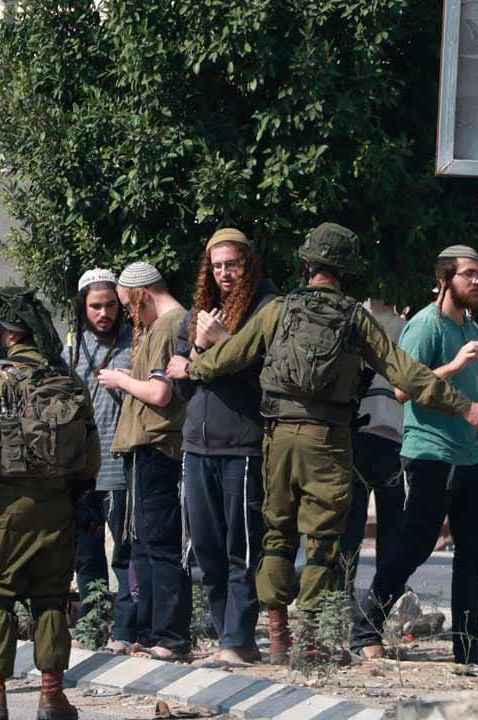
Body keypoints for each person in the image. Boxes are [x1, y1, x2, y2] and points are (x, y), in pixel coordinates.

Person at [166, 224, 478, 663]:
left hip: (278, 439)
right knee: (322, 541)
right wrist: (464, 407)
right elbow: (406, 374)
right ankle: (311, 641)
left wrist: (193, 366)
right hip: (329, 441)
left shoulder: (278, 309)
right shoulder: (356, 319)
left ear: (307, 264)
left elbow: (231, 355)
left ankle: (277, 635)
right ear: (347, 271)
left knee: (277, 534)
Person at [0, 287, 99, 720]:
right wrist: (80, 497)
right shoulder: (69, 380)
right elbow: (90, 453)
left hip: (7, 509)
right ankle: (52, 695)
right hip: (59, 509)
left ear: (11, 333)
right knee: (52, 599)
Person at [350, 245, 478, 664]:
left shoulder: (471, 328)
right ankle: (366, 627)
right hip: (429, 453)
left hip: (467, 457)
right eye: (468, 274)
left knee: (473, 554)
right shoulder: (425, 326)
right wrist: (454, 363)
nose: (477, 281)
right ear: (445, 279)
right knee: (415, 545)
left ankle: (468, 649)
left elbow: (474, 399)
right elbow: (401, 389)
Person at [173, 229, 278, 666]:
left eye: (231, 264)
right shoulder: (197, 315)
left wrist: (220, 345)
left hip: (243, 447)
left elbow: (268, 378)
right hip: (197, 447)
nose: (224, 274)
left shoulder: (267, 310)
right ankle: (228, 638)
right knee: (207, 551)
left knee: (243, 550)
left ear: (247, 263)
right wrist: (198, 345)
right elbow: (179, 383)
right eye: (216, 266)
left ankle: (237, 639)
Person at [100, 262, 192, 662]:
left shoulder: (169, 325)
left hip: (156, 447)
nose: (129, 314)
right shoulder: (163, 326)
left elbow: (159, 394)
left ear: (141, 294)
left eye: (127, 305)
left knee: (160, 543)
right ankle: (152, 631)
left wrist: (120, 380)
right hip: (147, 449)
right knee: (145, 543)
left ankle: (170, 637)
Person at [67, 268, 136, 653]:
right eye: (95, 306)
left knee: (126, 557)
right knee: (86, 556)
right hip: (82, 473)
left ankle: (126, 630)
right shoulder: (72, 349)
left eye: (110, 305)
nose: (104, 313)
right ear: (84, 307)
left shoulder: (136, 343)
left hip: (122, 468)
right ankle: (91, 627)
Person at [338, 299, 407, 599]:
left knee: (351, 530)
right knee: (390, 531)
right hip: (390, 437)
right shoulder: (406, 328)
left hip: (361, 434)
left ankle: (343, 601)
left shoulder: (353, 318)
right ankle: (383, 603)